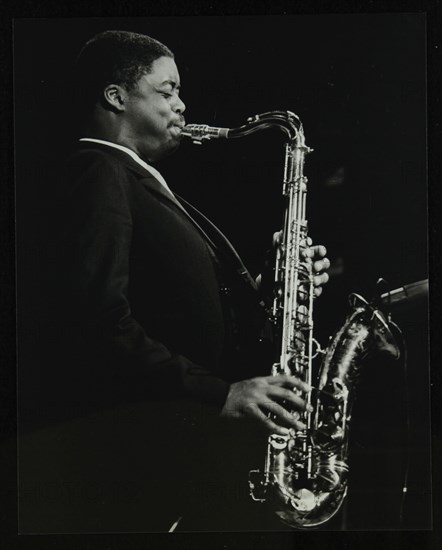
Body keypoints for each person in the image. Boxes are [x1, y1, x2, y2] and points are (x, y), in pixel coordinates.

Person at [18, 30, 329, 533]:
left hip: (184, 442)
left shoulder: (134, 179)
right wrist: (217, 393)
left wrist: (276, 286)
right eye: (168, 91)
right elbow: (97, 320)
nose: (182, 106)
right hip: (152, 447)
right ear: (116, 97)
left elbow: (179, 305)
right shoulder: (97, 169)